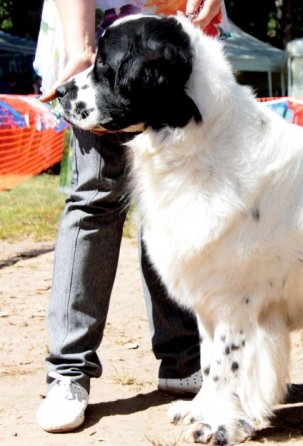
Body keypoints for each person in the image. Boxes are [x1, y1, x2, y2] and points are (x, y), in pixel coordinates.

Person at [33, 0, 224, 434]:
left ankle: (184, 360)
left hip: (173, 37)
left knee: (175, 199)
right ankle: (69, 371)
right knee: (96, 196)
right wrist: (83, 49)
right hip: (96, 28)